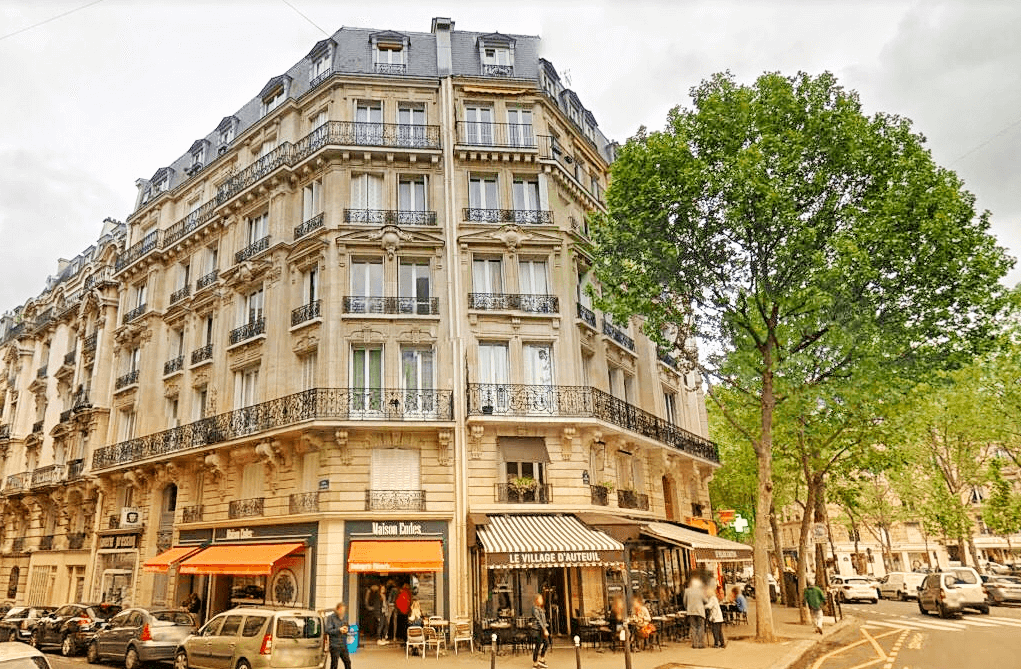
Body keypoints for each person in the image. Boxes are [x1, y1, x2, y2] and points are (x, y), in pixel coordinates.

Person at [325, 603, 352, 669]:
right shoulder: (331, 618)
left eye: (343, 610)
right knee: (334, 664)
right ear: (337, 609)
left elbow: (347, 626)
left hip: (343, 644)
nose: (342, 612)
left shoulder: (345, 617)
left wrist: (347, 630)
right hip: (335, 645)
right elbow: (328, 630)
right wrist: (339, 630)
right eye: (341, 610)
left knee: (347, 662)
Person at [684, 577, 707, 649]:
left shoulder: (687, 591)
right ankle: (701, 644)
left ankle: (694, 644)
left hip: (691, 611)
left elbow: (684, 602)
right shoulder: (701, 591)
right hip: (700, 611)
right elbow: (705, 600)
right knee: (700, 627)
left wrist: (687, 608)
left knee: (693, 627)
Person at [532, 593, 549, 669]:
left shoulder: (540, 608)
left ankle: (541, 659)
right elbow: (539, 620)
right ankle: (535, 663)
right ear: (536, 600)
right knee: (538, 646)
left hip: (542, 629)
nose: (542, 600)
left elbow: (543, 620)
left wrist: (546, 626)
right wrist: (544, 629)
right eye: (540, 599)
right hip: (538, 630)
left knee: (546, 643)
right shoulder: (535, 609)